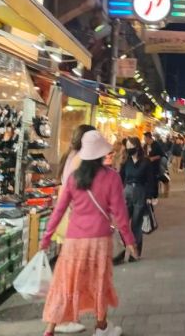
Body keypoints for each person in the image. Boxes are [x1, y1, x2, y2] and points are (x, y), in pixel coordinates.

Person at [41, 130, 137, 336]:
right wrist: (129, 240)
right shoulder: (111, 177)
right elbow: (120, 213)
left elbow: (59, 210)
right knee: (98, 281)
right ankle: (101, 326)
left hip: (74, 240)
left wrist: (46, 237)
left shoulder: (74, 178)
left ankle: (50, 328)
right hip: (100, 240)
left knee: (66, 280)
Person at [50, 124, 96, 334]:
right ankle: (63, 319)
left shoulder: (70, 157)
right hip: (75, 223)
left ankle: (67, 317)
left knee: (74, 273)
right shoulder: (79, 160)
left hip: (69, 222)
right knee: (73, 273)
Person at [118, 137, 149, 256]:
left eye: (131, 146)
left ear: (137, 146)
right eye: (128, 146)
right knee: (123, 222)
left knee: (136, 223)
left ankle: (135, 252)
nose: (129, 148)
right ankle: (124, 247)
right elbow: (120, 178)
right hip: (127, 192)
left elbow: (150, 179)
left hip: (140, 192)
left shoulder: (145, 161)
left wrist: (151, 195)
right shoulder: (126, 162)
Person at [143, 132, 164, 204]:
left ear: (149, 138)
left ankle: (155, 197)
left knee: (155, 181)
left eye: (145, 138)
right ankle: (149, 196)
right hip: (147, 166)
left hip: (155, 166)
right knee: (148, 181)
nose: (144, 140)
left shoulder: (156, 145)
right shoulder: (145, 146)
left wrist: (153, 158)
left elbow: (161, 154)